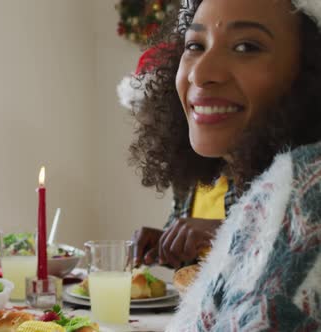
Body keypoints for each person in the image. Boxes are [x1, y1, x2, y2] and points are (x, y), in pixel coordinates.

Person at [129, 0, 321, 329]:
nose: (201, 73)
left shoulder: (308, 186)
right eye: (195, 46)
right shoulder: (255, 178)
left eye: (246, 46)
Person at [121, 45, 234, 269]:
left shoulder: (259, 166)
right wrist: (165, 242)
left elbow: (285, 245)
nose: (156, 135)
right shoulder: (189, 170)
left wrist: (219, 230)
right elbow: (195, 260)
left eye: (161, 121)